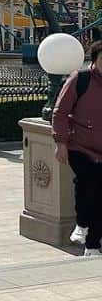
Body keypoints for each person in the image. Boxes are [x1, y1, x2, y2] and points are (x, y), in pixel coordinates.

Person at [52, 40, 102, 255]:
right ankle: (82, 223)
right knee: (88, 184)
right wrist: (61, 143)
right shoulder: (79, 79)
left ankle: (92, 245)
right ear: (95, 60)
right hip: (79, 146)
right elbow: (59, 113)